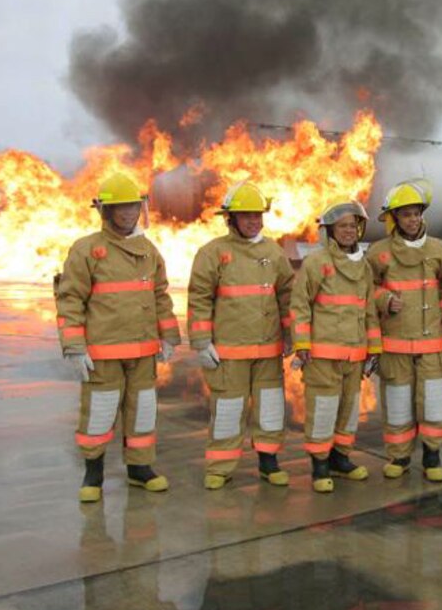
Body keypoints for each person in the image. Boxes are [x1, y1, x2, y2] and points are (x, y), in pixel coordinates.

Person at [55, 171, 181, 502]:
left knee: (142, 411)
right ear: (106, 212)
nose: (128, 214)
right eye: (121, 208)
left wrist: (168, 337)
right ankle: (93, 474)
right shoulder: (86, 250)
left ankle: (140, 470)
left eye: (133, 207)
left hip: (142, 352)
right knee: (99, 413)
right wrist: (74, 347)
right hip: (103, 353)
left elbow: (160, 295)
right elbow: (70, 300)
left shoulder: (148, 250)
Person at [187, 181, 295, 489]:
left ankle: (269, 462)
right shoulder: (213, 253)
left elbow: (287, 296)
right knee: (227, 410)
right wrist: (201, 342)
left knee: (271, 410)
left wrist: (291, 335)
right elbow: (199, 299)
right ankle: (220, 467)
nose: (253, 221)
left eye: (257, 215)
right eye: (246, 215)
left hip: (268, 351)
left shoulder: (273, 252)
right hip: (229, 353)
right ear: (230, 218)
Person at [366, 179, 442, 482]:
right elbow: (366, 290)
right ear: (394, 218)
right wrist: (383, 299)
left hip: (431, 344)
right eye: (406, 214)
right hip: (395, 346)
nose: (413, 219)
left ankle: (432, 456)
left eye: (417, 213)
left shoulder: (440, 251)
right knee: (398, 403)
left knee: (432, 403)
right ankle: (399, 457)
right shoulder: (378, 254)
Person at [290, 200, 382, 493]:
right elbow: (300, 305)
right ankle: (319, 465)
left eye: (353, 226)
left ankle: (340, 459)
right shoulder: (316, 263)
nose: (348, 231)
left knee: (349, 409)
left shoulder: (363, 267)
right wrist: (302, 343)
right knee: (324, 409)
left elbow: (368, 310)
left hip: (354, 355)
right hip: (323, 355)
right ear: (330, 231)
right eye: (342, 226)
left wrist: (374, 350)